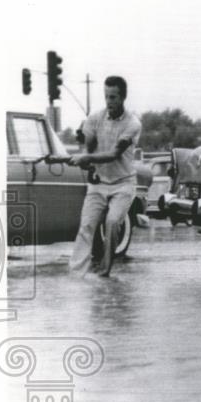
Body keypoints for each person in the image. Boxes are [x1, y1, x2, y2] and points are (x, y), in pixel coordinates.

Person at [69, 76, 142, 276]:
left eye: (114, 97)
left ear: (123, 97)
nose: (109, 102)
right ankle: (76, 273)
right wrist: (86, 138)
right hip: (99, 184)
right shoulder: (94, 118)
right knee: (86, 226)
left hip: (123, 184)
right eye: (106, 97)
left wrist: (86, 157)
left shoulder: (133, 124)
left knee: (111, 223)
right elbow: (89, 145)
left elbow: (114, 154)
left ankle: (105, 268)